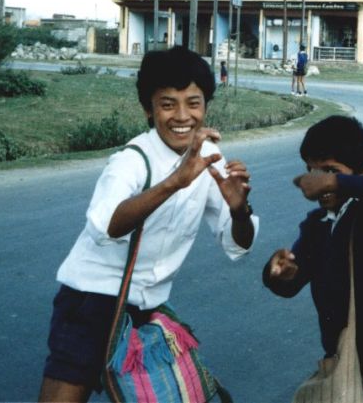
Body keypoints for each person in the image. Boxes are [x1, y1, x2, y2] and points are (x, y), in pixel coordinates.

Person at [38, 46, 259, 403]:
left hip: (146, 312)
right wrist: (175, 181)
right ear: (148, 108)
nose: (182, 116)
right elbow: (106, 225)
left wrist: (239, 210)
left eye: (194, 102)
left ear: (206, 106)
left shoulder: (210, 161)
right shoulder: (132, 159)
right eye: (168, 104)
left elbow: (239, 244)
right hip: (90, 302)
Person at [264, 116, 363, 402]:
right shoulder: (316, 224)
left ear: (362, 175)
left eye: (330, 170)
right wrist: (277, 273)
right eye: (312, 170)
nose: (318, 179)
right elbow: (290, 284)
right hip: (340, 365)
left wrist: (337, 182)